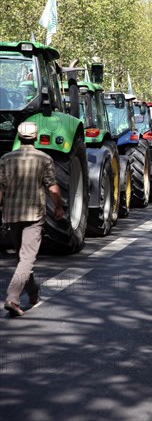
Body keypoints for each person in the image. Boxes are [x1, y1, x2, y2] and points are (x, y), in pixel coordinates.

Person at [0, 122, 64, 317]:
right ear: (36, 138)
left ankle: (34, 294)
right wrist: (59, 208)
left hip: (11, 214)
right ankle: (12, 297)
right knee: (27, 258)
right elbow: (52, 187)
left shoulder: (6, 158)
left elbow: (1, 189)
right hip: (34, 214)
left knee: (23, 258)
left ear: (18, 137)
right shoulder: (44, 158)